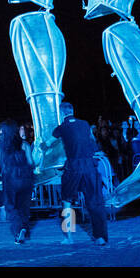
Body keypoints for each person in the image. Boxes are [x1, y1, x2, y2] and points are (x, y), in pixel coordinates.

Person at [53, 102, 108, 245]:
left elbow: (51, 140)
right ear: (72, 110)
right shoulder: (85, 124)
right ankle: (100, 236)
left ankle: (68, 237)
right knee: (95, 201)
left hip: (73, 166)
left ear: (61, 113)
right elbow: (92, 142)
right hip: (89, 165)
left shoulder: (61, 127)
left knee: (67, 201)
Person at [0, 120, 33, 243]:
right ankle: (24, 228)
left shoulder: (3, 146)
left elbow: (2, 165)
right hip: (26, 178)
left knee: (12, 206)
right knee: (23, 206)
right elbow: (30, 162)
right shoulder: (25, 144)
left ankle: (19, 230)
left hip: (11, 179)